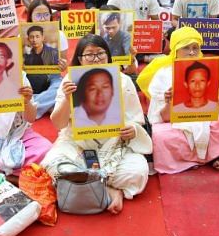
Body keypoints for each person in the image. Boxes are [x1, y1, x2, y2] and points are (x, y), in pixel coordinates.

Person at [41, 34, 151, 214]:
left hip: (113, 145)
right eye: (89, 54)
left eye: (100, 53)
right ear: (80, 59)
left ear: (108, 55)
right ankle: (108, 190)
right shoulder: (70, 81)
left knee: (137, 171)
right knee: (54, 166)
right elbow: (58, 124)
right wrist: (67, 99)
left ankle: (84, 187)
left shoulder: (122, 81)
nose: (95, 58)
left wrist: (132, 129)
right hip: (76, 145)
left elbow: (135, 118)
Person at [137, 27, 219, 173]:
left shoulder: (208, 70)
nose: (192, 52)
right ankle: (208, 157)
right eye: (186, 47)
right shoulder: (163, 74)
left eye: (195, 48)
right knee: (158, 134)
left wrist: (218, 105)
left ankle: (212, 155)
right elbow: (163, 118)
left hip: (204, 122)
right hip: (175, 126)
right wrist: (169, 102)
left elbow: (215, 113)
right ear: (175, 50)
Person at [25, 0, 68, 117]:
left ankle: (31, 108)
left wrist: (63, 65)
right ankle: (48, 104)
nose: (43, 18)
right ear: (31, 17)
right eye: (38, 15)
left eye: (46, 15)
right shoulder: (21, 36)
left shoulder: (60, 35)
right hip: (28, 78)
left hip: (52, 76)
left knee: (61, 88)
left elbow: (64, 67)